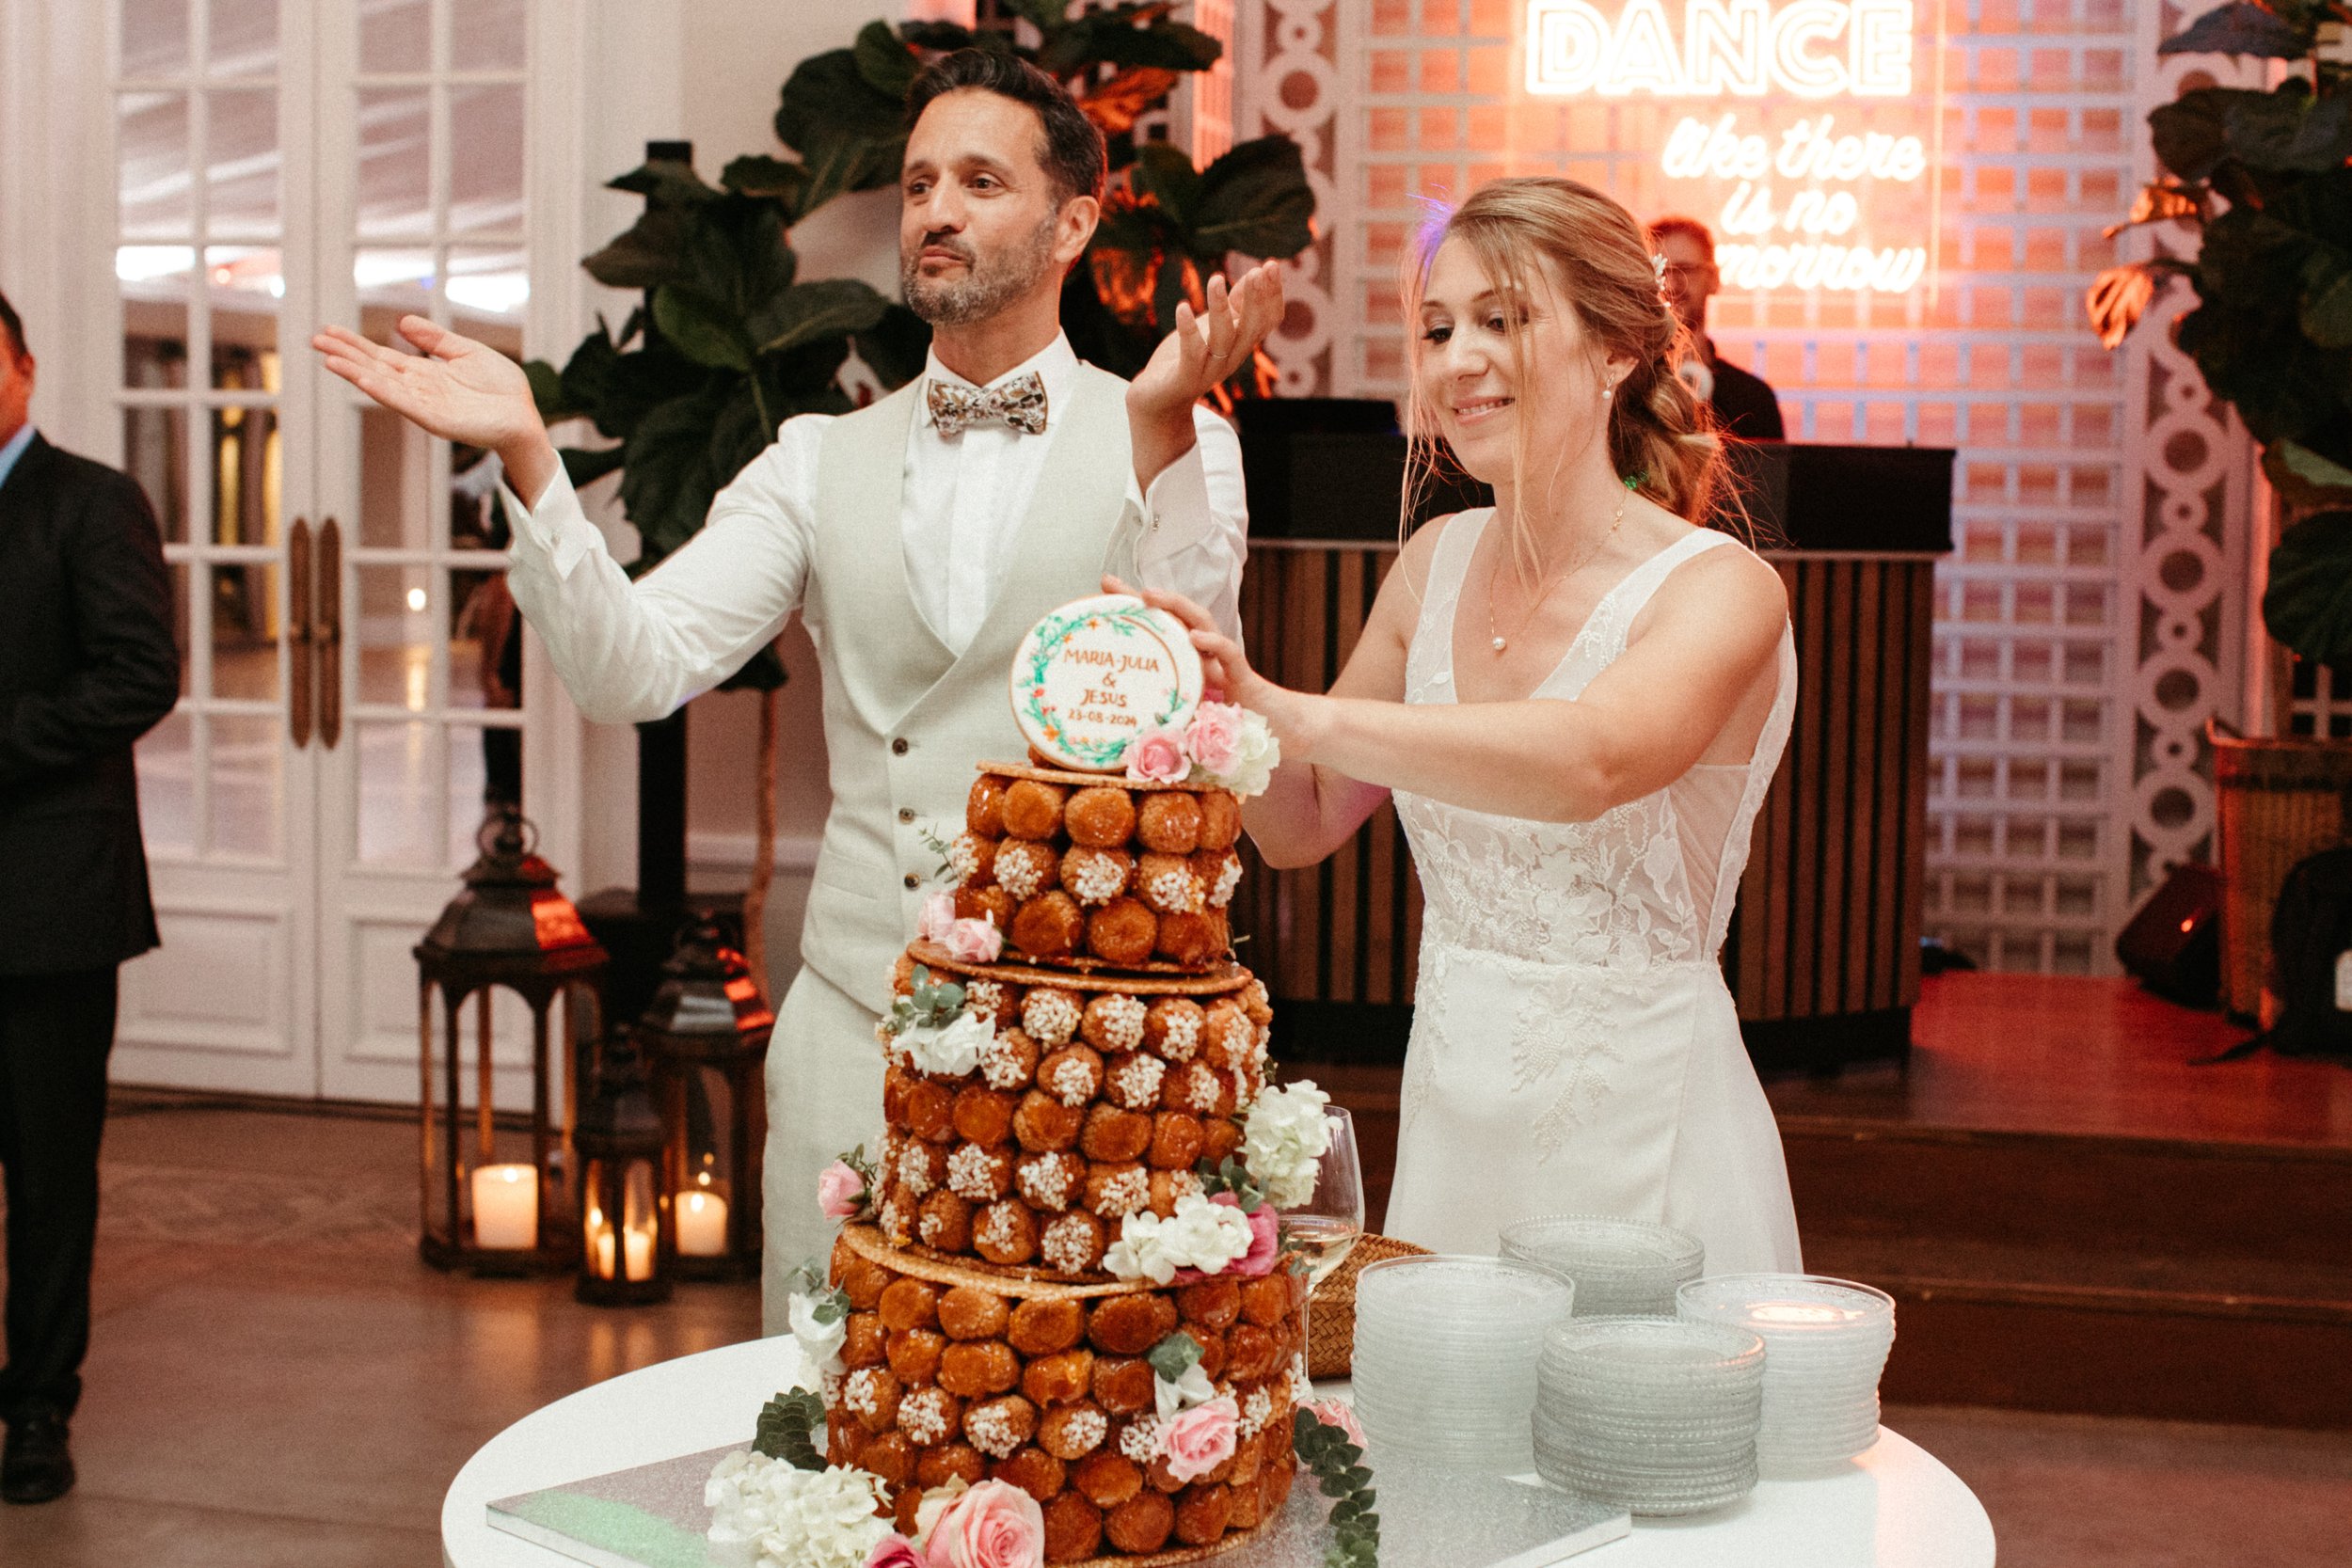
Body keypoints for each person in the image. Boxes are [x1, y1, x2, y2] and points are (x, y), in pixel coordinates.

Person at [312, 50, 1280, 1326]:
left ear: (1074, 221)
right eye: (919, 180)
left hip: (1078, 1041)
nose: (935, 207)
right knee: (832, 1401)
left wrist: (1158, 444)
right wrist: (529, 455)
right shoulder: (812, 459)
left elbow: (1198, 718)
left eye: (981, 180)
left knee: (1058, 1398)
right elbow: (631, 667)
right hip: (849, 1023)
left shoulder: (1173, 431)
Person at [1134, 178, 1803, 1272]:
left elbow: (1587, 760)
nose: (1456, 359)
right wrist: (1161, 442)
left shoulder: (1720, 588)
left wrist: (1294, 707)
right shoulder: (1432, 564)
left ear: (1617, 350)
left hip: (1648, 1155)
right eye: (1439, 328)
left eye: (1504, 320)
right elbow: (1294, 821)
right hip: (1451, 1141)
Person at [0, 289, 181, 1502]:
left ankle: (35, 1410)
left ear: (20, 366)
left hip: (45, 904)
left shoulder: (89, 500)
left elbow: (139, 676)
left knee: (48, 1172)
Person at [1651, 214, 1785, 441]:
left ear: (1713, 279)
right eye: (1660, 272)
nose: (1671, 285)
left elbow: (1769, 476)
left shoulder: (1753, 399)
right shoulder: (1627, 390)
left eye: (1685, 270)